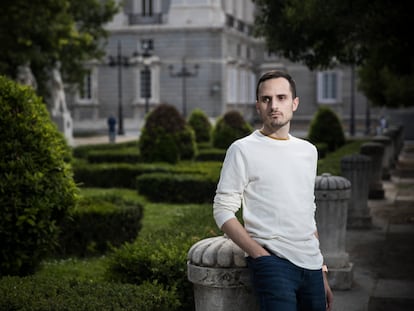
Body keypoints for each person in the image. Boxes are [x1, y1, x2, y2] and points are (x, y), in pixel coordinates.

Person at [213, 70, 333, 311]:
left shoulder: (308, 151)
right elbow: (222, 210)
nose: (273, 105)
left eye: (281, 97)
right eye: (266, 99)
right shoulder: (242, 149)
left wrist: (322, 271)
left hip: (311, 265)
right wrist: (259, 255)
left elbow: (307, 212)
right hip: (273, 263)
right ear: (258, 105)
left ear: (294, 103)